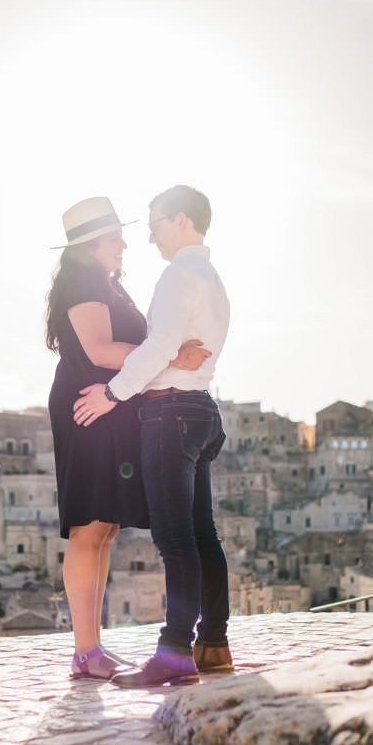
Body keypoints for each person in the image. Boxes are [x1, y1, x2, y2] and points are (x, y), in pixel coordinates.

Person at [73, 185, 231, 687]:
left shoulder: (177, 274)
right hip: (202, 409)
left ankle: (173, 653)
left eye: (156, 224)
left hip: (169, 414)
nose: (150, 238)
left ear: (182, 221)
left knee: (175, 540)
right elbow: (176, 346)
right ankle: (214, 645)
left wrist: (112, 395)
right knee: (204, 537)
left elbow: (161, 343)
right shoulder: (212, 278)